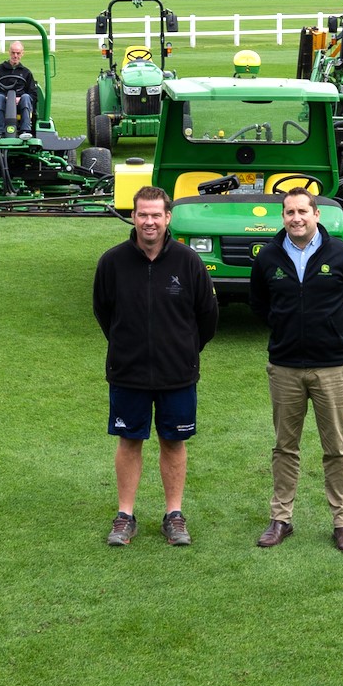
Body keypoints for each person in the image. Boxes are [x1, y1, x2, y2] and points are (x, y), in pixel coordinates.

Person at [248, 186, 343, 553]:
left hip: (332, 369)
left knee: (336, 448)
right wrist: (285, 327)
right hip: (285, 368)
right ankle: (281, 519)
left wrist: (336, 333)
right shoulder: (268, 258)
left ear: (316, 214)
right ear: (283, 217)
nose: (296, 218)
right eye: (289, 213)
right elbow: (259, 304)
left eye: (303, 211)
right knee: (284, 448)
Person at [92, 185, 218, 548]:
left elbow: (207, 316)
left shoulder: (188, 262)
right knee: (129, 440)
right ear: (133, 217)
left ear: (168, 218)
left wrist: (185, 351)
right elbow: (104, 311)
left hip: (177, 373)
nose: (149, 221)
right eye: (142, 214)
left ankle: (173, 515)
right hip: (128, 372)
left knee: (173, 441)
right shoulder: (112, 262)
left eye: (156, 215)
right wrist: (126, 345)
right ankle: (125, 516)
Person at [0, 39, 37, 135]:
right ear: (9, 52)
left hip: (20, 104)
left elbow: (33, 94)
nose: (15, 56)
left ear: (22, 53)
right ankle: (0, 130)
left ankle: (25, 130)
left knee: (26, 97)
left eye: (18, 53)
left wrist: (19, 98)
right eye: (13, 53)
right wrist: (7, 98)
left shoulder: (26, 72)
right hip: (3, 102)